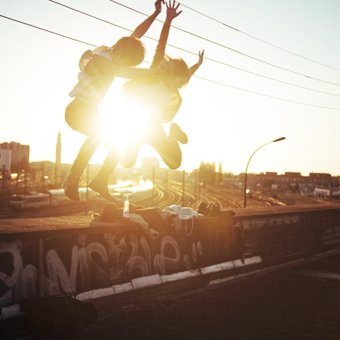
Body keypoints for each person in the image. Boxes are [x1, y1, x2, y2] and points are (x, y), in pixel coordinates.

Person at [87, 0, 204, 201]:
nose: (180, 83)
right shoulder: (156, 71)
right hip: (139, 120)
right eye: (179, 79)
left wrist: (198, 65)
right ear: (172, 73)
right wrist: (167, 20)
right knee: (127, 160)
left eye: (182, 81)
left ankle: (174, 134)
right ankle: (100, 179)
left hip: (154, 126)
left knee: (174, 162)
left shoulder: (175, 85)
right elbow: (161, 44)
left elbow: (187, 75)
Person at [64, 0, 164, 202]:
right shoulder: (101, 61)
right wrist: (153, 73)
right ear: (118, 53)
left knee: (122, 138)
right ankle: (72, 180)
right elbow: (122, 72)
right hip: (77, 110)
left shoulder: (115, 50)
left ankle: (100, 180)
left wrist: (155, 14)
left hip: (90, 110)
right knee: (98, 136)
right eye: (125, 61)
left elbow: (136, 34)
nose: (124, 64)